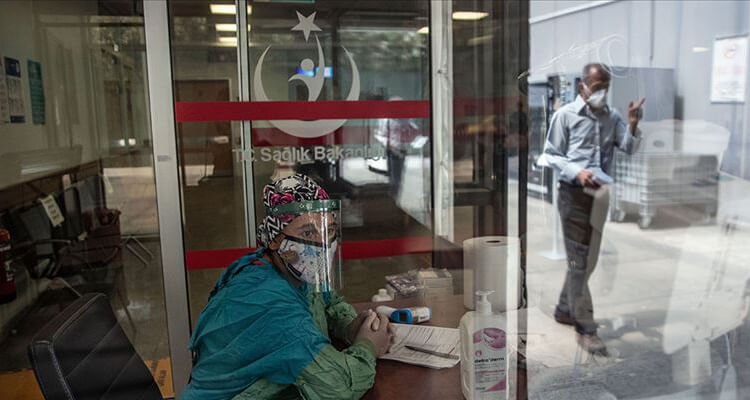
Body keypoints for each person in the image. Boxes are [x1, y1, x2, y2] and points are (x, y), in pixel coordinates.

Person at [182, 173, 393, 400]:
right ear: (274, 239)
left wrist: (350, 326)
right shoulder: (267, 302)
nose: (323, 244)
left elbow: (327, 300)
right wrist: (367, 347)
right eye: (308, 232)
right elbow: (338, 386)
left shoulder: (292, 271)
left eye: (329, 230)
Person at [541, 63, 645, 354]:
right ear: (582, 86)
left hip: (599, 196)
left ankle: (564, 308)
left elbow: (629, 148)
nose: (602, 93)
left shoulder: (611, 116)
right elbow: (550, 155)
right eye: (597, 87)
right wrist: (577, 171)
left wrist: (633, 122)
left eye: (606, 88)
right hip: (573, 195)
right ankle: (585, 328)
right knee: (580, 260)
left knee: (588, 260)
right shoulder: (565, 115)